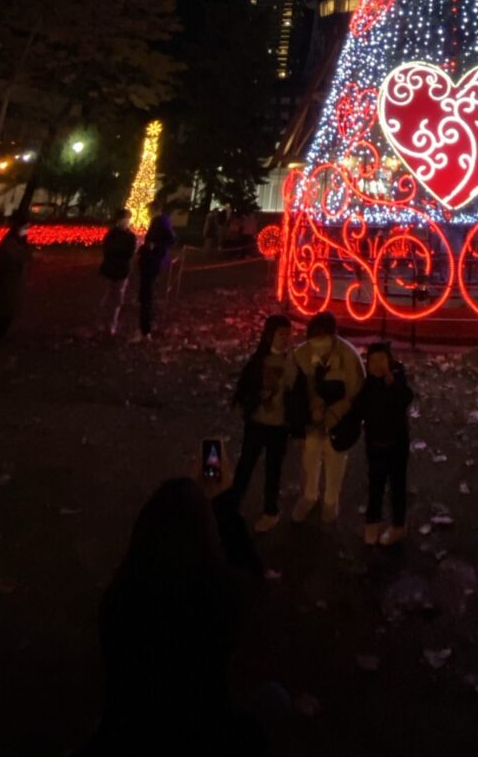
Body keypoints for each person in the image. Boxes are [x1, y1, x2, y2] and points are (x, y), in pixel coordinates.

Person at [82, 478, 262, 753]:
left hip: (128, 733)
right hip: (202, 734)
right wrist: (222, 504)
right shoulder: (217, 598)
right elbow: (252, 580)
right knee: (275, 698)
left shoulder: (121, 596)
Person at [287, 310, 363, 526]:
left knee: (334, 454)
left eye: (323, 337)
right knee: (310, 453)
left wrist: (336, 412)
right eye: (314, 338)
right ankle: (309, 495)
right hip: (313, 418)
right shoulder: (302, 355)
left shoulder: (348, 356)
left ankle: (331, 499)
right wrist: (312, 407)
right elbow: (296, 388)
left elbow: (355, 392)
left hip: (340, 420)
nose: (318, 343)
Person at [230, 314, 292, 533]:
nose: (285, 338)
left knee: (273, 470)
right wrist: (249, 401)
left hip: (279, 427)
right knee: (245, 464)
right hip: (257, 423)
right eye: (281, 334)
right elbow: (245, 386)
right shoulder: (258, 361)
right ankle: (233, 503)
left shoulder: (292, 362)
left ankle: (270, 511)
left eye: (288, 334)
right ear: (270, 335)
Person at [358, 341, 414, 546]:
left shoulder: (397, 376)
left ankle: (398, 525)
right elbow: (359, 407)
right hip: (375, 442)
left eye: (382, 359)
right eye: (373, 360)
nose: (378, 364)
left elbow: (407, 397)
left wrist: (392, 384)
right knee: (375, 483)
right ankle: (373, 521)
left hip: (397, 442)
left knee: (397, 483)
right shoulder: (366, 382)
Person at [0, 218, 32, 342]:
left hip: (13, 279)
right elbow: (15, 256)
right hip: (6, 278)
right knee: (1, 308)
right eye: (24, 228)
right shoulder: (9, 242)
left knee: (8, 308)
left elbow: (26, 255)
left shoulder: (19, 241)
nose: (26, 231)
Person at [136, 202, 176, 338]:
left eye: (149, 211)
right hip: (151, 260)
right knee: (147, 292)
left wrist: (154, 246)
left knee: (147, 293)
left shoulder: (161, 221)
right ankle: (146, 324)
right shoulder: (159, 221)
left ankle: (146, 328)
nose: (148, 213)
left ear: (154, 210)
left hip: (152, 261)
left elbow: (170, 239)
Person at [98, 209, 137, 334]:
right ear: (118, 221)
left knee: (118, 299)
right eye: (124, 219)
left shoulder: (131, 236)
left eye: (127, 219)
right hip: (109, 269)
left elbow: (129, 253)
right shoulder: (111, 234)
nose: (126, 222)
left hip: (122, 271)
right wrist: (120, 252)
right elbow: (108, 251)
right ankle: (101, 321)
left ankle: (112, 324)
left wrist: (119, 252)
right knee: (105, 296)